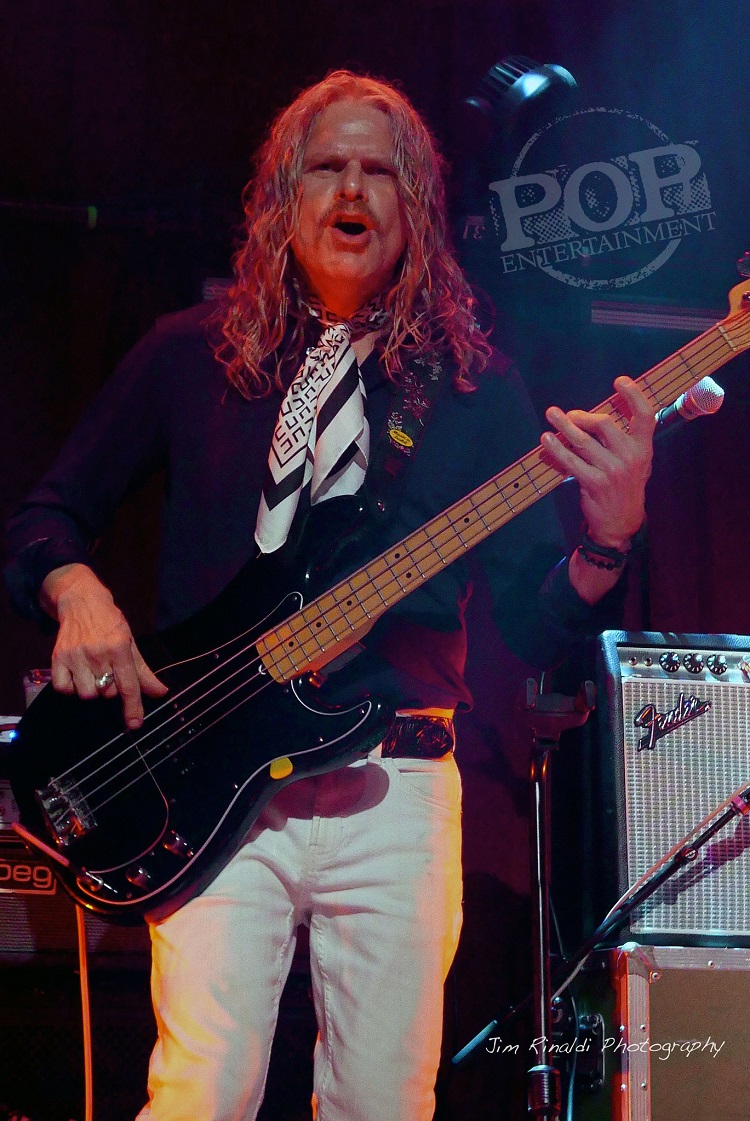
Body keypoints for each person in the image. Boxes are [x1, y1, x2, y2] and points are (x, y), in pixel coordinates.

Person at [4, 71, 654, 1121]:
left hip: (394, 783)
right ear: (284, 197)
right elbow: (45, 514)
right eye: (327, 166)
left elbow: (534, 625)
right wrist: (77, 589)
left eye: (380, 172)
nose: (352, 189)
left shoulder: (475, 388)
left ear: (416, 206)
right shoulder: (189, 356)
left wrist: (609, 539)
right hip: (210, 782)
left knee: (382, 1101)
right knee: (201, 1091)